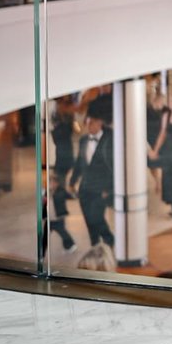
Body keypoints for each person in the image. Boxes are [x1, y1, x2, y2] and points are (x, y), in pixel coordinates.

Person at [69, 101, 114, 248]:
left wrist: (109, 189)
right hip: (85, 188)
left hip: (100, 189)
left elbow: (115, 167)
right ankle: (95, 245)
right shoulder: (83, 140)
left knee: (96, 217)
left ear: (100, 123)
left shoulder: (110, 139)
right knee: (89, 219)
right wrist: (72, 181)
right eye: (87, 122)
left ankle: (110, 241)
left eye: (91, 122)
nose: (88, 125)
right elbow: (79, 163)